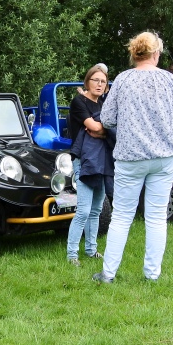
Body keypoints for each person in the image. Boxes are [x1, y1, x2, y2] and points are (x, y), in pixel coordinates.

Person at [93, 31, 173, 283]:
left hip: (132, 156)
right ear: (156, 53)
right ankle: (152, 275)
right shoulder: (170, 81)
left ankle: (108, 273)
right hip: (165, 156)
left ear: (134, 53)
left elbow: (107, 119)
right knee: (157, 216)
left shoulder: (123, 80)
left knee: (122, 215)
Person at [65, 64, 111, 265]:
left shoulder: (104, 106)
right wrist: (103, 129)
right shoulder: (79, 102)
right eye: (96, 80)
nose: (99, 84)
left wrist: (103, 131)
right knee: (83, 210)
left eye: (103, 81)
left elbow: (106, 129)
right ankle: (72, 254)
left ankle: (91, 250)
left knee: (96, 209)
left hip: (102, 160)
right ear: (87, 82)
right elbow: (93, 126)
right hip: (83, 160)